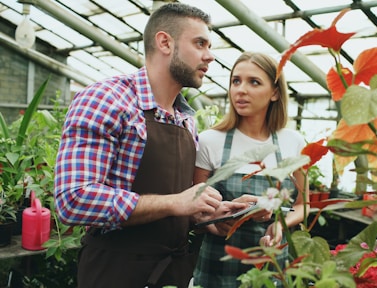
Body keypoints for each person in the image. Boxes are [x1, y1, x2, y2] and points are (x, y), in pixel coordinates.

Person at [53, 3, 244, 288]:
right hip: (116, 273)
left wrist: (204, 215)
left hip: (172, 272)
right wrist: (176, 202)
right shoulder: (107, 100)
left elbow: (171, 206)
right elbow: (74, 199)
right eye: (200, 43)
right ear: (165, 42)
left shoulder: (185, 118)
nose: (210, 56)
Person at [193, 51, 309, 287]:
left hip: (271, 262)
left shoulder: (293, 142)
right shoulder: (210, 140)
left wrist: (279, 225)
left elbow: (303, 205)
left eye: (253, 82)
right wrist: (215, 222)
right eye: (236, 81)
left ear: (275, 92)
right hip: (218, 263)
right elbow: (193, 207)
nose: (241, 90)